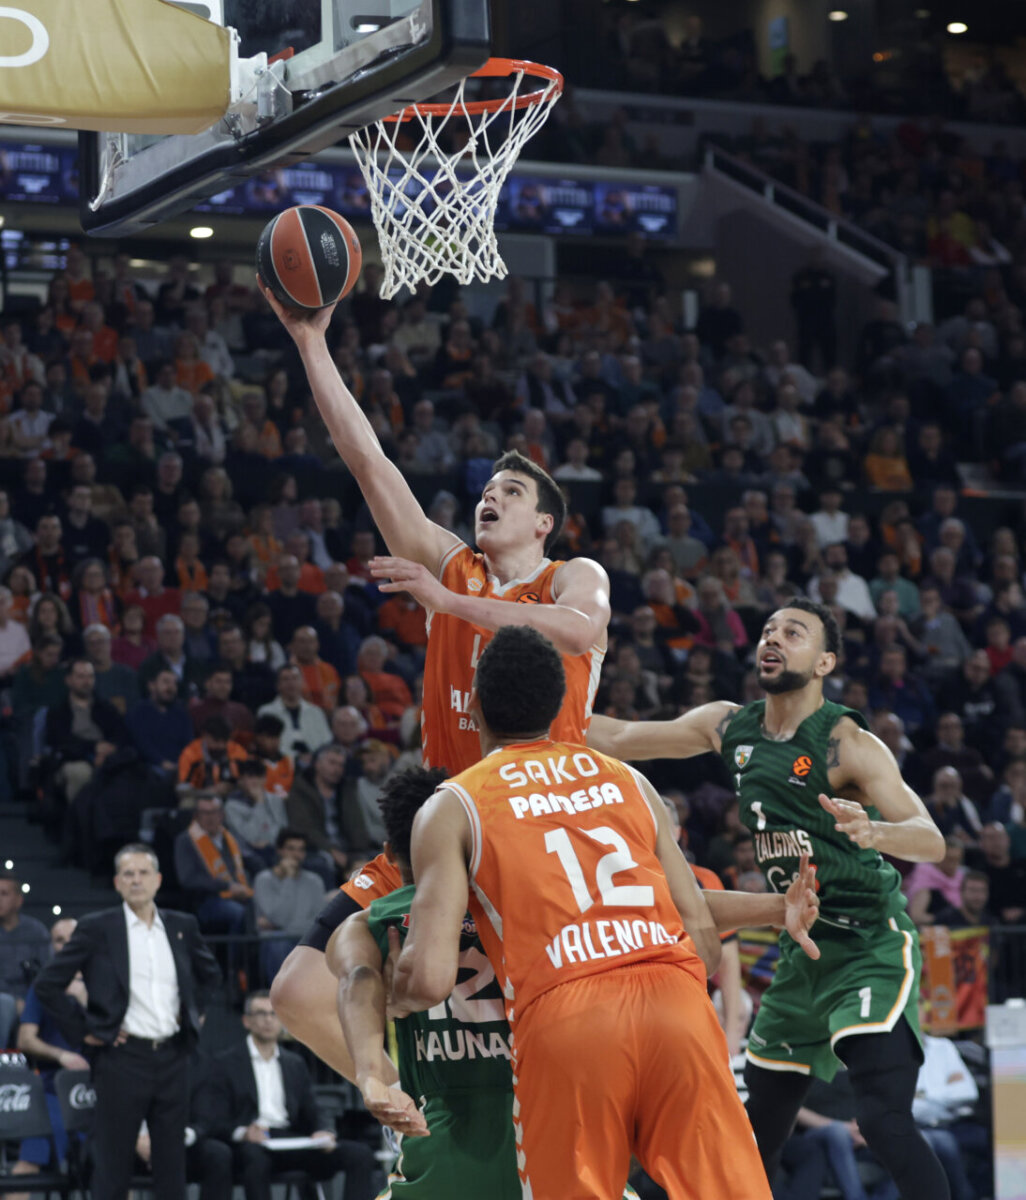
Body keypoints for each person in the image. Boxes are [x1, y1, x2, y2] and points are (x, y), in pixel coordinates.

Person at [262, 288, 611, 1078]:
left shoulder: (568, 578)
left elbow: (583, 633)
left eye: (511, 493)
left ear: (543, 524)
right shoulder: (449, 560)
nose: (490, 496)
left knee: (525, 1021)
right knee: (296, 989)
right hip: (430, 826)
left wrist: (451, 604)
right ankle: (412, 1113)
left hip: (530, 829)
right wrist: (311, 341)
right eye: (487, 488)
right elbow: (366, 459)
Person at [390, 626, 820, 1200]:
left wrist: (395, 986)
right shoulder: (630, 780)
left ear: (474, 706)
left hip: (568, 1017)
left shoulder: (454, 804)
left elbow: (429, 978)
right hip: (676, 1003)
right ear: (561, 705)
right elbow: (698, 932)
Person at [587, 597, 950, 1200]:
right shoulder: (729, 724)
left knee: (883, 1122)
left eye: (794, 632)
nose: (773, 639)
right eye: (767, 631)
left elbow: (931, 839)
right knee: (754, 1134)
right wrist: (537, 712)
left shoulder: (847, 743)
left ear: (826, 660)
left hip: (868, 945)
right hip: (800, 949)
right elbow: (621, 735)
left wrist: (875, 830)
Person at [34, 844, 221, 1200]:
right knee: (113, 1168)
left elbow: (210, 976)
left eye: (143, 873)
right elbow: (47, 985)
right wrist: (88, 1031)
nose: (136, 880)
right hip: (121, 1060)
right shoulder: (97, 927)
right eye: (128, 874)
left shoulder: (182, 925)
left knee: (171, 1170)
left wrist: (193, 1011)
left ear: (158, 880)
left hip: (173, 1057)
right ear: (118, 883)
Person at [197, 992, 378, 1200]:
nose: (268, 1020)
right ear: (246, 1021)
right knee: (254, 1158)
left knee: (360, 1155)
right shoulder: (225, 1063)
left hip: (290, 1140)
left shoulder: (294, 1063)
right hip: (252, 1144)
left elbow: (312, 1109)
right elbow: (214, 1118)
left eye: (274, 1014)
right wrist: (244, 1133)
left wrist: (323, 1130)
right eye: (261, 1013)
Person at [10, 918, 88, 1194]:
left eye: (72, 937)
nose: (66, 945)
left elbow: (119, 1035)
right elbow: (25, 1039)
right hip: (53, 1092)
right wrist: (61, 1055)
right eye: (59, 940)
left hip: (101, 1090)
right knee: (27, 1165)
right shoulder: (42, 986)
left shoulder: (106, 983)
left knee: (118, 1168)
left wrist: (84, 999)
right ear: (52, 946)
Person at [253, 830, 327, 984]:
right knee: (279, 941)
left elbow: (318, 922)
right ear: (280, 850)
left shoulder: (314, 881)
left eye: (301, 850)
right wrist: (289, 879)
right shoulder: (264, 880)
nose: (296, 854)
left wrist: (280, 926)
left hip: (305, 939)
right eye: (291, 848)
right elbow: (279, 917)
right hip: (277, 942)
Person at [0, 871, 50, 1050]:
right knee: (3, 1004)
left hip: (32, 998)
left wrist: (29, 1001)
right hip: (4, 1000)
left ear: (19, 900)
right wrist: (15, 1001)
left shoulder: (36, 931)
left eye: (4, 894)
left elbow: (47, 972)